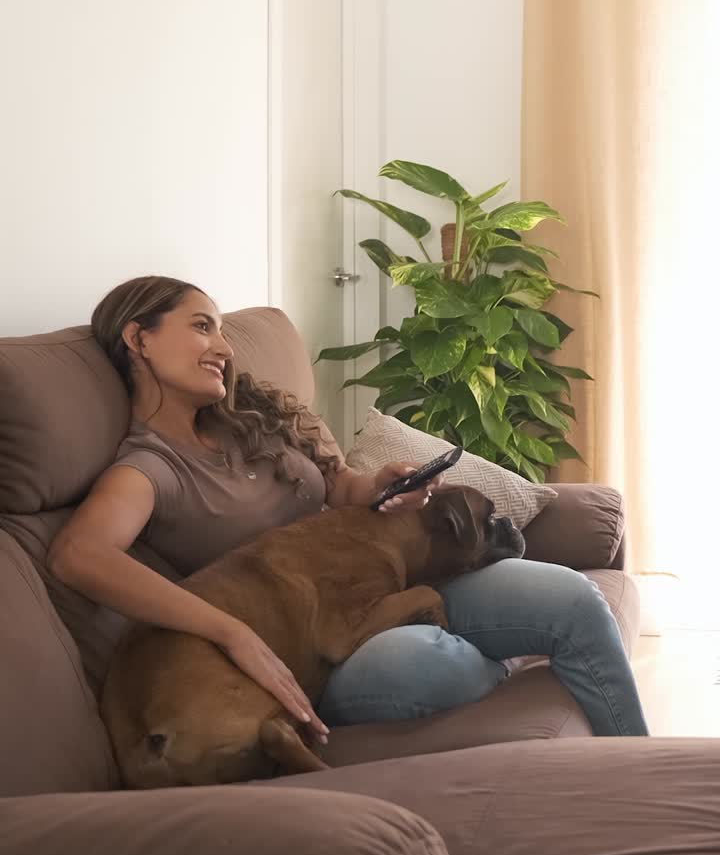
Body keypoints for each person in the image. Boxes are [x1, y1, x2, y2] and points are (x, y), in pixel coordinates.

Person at [49, 276, 649, 742]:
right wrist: (228, 630)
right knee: (436, 666)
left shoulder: (245, 422)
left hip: (388, 580)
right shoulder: (149, 468)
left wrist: (368, 488)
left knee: (574, 600)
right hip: (314, 648)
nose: (223, 348)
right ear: (138, 337)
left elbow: (332, 489)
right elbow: (80, 555)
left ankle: (640, 772)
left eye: (223, 332)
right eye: (202, 327)